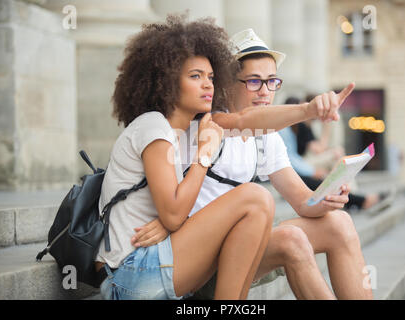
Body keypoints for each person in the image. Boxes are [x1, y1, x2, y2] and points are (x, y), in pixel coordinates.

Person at [132, 28, 374, 300]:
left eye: (272, 82)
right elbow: (245, 120)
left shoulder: (266, 139)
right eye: (254, 82)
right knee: (290, 239)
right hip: (197, 260)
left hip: (239, 248)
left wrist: (326, 197)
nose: (265, 92)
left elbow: (303, 202)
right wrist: (309, 109)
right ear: (226, 83)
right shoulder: (208, 123)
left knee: (339, 223)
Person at [94, 16, 276, 300]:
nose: (208, 85)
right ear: (166, 81)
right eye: (195, 76)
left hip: (149, 266)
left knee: (255, 213)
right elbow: (175, 214)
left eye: (211, 77)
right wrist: (206, 153)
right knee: (255, 198)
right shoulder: (153, 126)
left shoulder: (175, 134)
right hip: (129, 275)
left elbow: (176, 214)